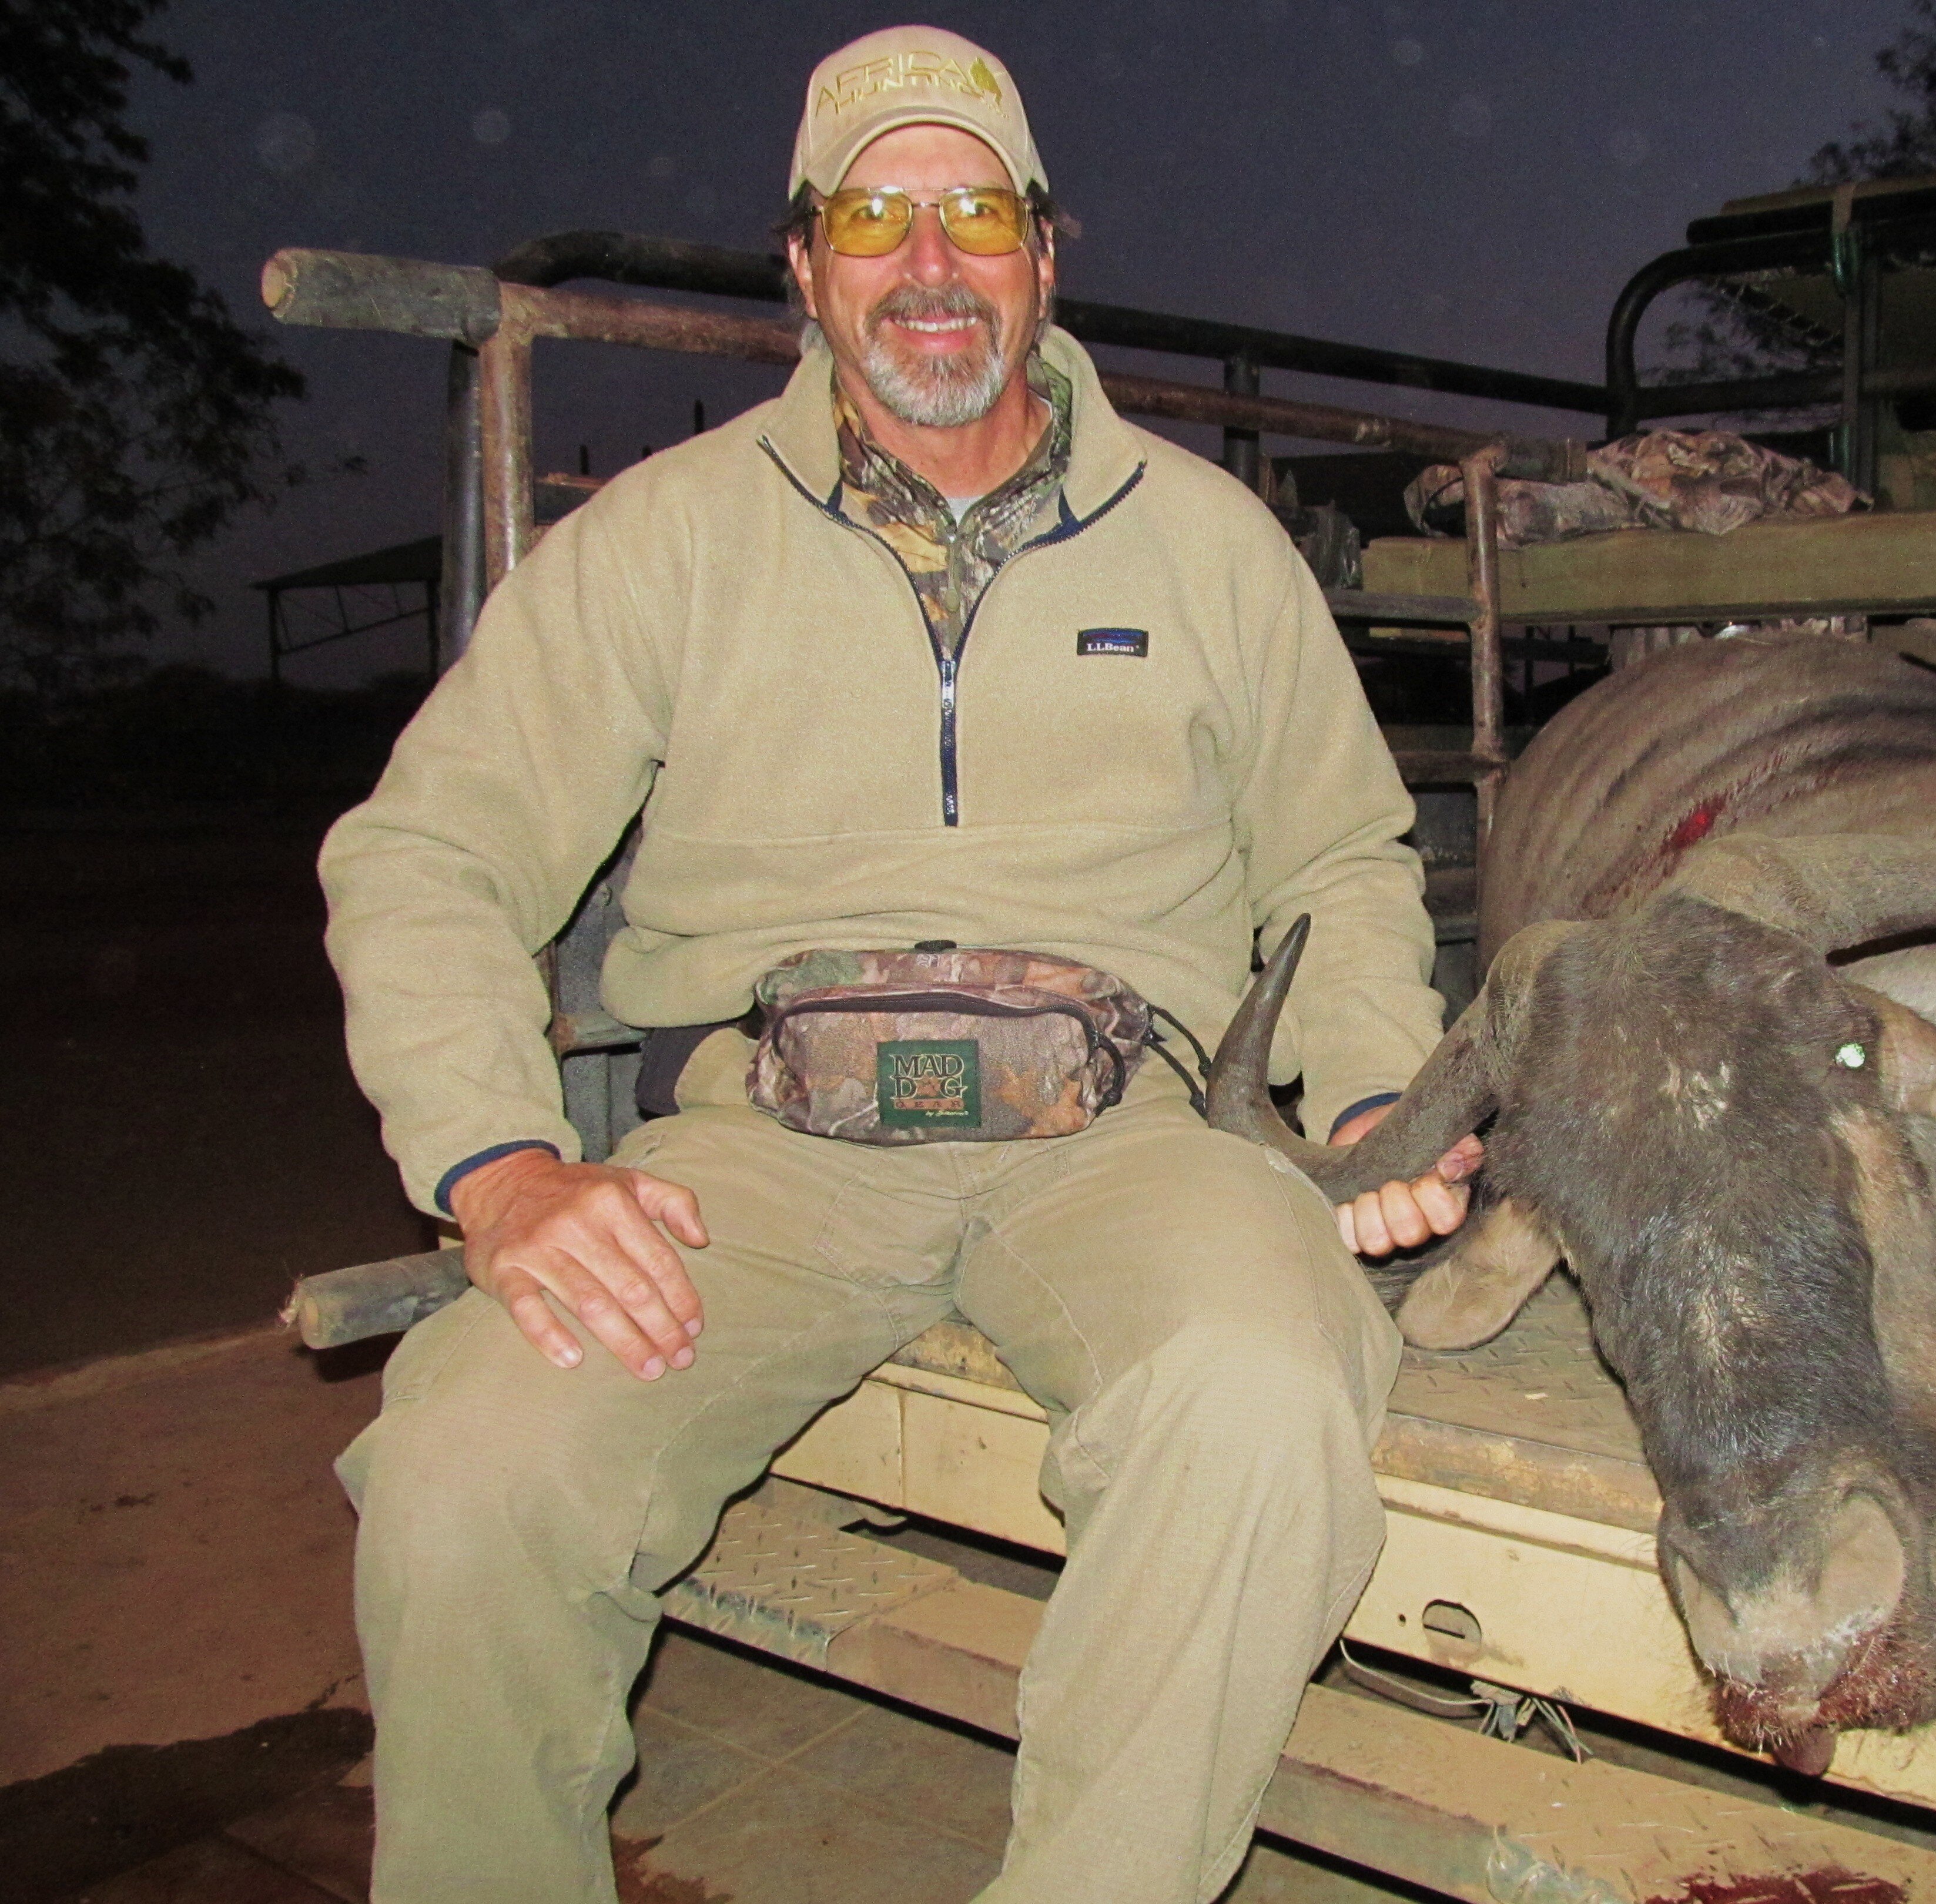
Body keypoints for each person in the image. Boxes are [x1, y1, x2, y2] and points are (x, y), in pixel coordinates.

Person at [319, 23, 1478, 1904]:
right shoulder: (665, 545)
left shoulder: (1209, 546)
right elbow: (427, 847)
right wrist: (503, 1167)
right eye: (876, 214)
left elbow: (1346, 855)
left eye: (975, 212)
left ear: (1043, 252)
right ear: (806, 264)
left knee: (1264, 1395)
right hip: (759, 1157)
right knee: (468, 1480)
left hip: (1122, 1141)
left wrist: (1366, 1092)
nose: (929, 262)